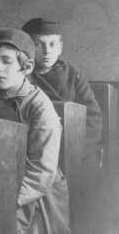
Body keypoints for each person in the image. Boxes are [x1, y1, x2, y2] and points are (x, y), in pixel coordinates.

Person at [0, 28, 70, 234]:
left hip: (31, 191)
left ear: (27, 67)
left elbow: (42, 171)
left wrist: (5, 201)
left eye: (6, 61)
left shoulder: (40, 107)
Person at [22, 17, 102, 168]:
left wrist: (82, 149)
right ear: (28, 48)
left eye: (52, 44)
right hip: (35, 145)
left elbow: (93, 116)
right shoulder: (22, 75)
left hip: (72, 146)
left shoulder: (73, 74)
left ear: (60, 48)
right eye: (38, 45)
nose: (47, 51)